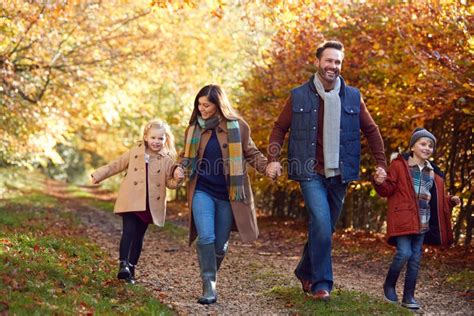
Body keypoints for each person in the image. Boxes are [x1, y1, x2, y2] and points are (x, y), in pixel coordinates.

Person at [266, 40, 388, 301]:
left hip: (340, 173)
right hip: (309, 170)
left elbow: (372, 130)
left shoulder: (353, 96)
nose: (333, 66)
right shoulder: (299, 95)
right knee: (321, 223)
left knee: (325, 229)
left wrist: (381, 164)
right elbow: (279, 128)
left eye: (337, 62)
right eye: (329, 60)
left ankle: (304, 270)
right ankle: (323, 284)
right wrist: (273, 159)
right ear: (318, 61)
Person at [181, 84, 268, 304]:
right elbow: (184, 156)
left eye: (206, 105)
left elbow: (251, 152)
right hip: (202, 190)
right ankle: (208, 286)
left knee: (219, 244)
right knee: (207, 237)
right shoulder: (193, 129)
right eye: (199, 104)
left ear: (218, 105)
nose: (202, 109)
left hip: (229, 195)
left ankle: (211, 274)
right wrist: (177, 168)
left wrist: (267, 167)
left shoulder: (238, 126)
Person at [373, 128, 460, 310]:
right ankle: (389, 284)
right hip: (404, 219)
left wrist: (450, 201)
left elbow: (437, 198)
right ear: (412, 146)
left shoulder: (433, 172)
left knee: (415, 259)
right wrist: (380, 181)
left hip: (423, 221)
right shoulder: (400, 165)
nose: (427, 148)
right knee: (404, 253)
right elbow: (388, 189)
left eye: (430, 145)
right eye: (423, 143)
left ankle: (408, 296)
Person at [91, 119, 184, 284]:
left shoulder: (167, 158)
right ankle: (123, 265)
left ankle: (131, 268)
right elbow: (117, 164)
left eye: (160, 138)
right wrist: (99, 175)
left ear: (165, 140)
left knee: (139, 235)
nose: (156, 142)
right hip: (131, 198)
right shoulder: (136, 151)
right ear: (146, 137)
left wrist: (178, 180)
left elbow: (169, 183)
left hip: (149, 203)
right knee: (128, 230)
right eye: (153, 138)